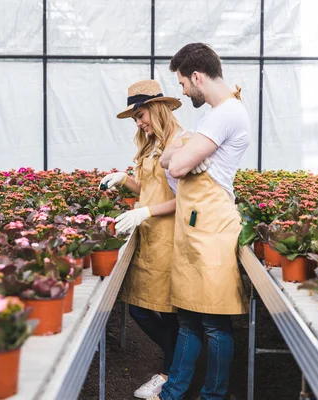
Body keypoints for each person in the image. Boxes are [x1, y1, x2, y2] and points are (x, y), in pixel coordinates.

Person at [150, 43, 251, 400]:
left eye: (181, 83)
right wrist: (180, 150)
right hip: (196, 227)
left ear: (196, 76)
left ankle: (213, 395)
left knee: (214, 322)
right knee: (189, 319)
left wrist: (180, 153)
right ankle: (172, 393)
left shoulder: (225, 114)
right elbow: (168, 160)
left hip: (212, 229)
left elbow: (174, 166)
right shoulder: (212, 114)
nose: (182, 90)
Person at [100, 80, 188, 399]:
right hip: (149, 236)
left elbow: (186, 199)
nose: (138, 123)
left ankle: (171, 372)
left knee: (166, 311)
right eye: (136, 117)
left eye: (141, 115)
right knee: (140, 307)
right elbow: (150, 189)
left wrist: (145, 212)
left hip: (171, 238)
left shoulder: (180, 143)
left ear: (157, 108)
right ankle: (178, 366)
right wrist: (124, 180)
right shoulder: (150, 144)